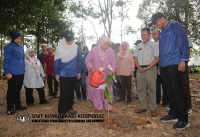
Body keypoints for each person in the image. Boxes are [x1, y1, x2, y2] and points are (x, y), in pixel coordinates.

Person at [149, 12, 189, 130]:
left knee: (177, 91)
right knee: (169, 91)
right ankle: (174, 113)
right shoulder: (161, 34)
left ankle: (183, 119)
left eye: (157, 22)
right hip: (164, 66)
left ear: (162, 18)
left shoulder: (175, 26)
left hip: (174, 63)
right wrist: (160, 66)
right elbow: (161, 51)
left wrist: (183, 59)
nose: (156, 25)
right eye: (155, 24)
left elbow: (183, 42)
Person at [85, 35, 117, 113]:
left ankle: (108, 107)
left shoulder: (111, 51)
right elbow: (87, 60)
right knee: (96, 92)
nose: (106, 46)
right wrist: (91, 67)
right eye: (104, 44)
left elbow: (113, 63)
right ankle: (98, 107)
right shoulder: (94, 50)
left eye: (107, 44)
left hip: (106, 75)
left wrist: (112, 70)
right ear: (101, 42)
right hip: (96, 76)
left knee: (107, 91)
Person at [54, 30, 81, 118]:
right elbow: (57, 61)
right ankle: (61, 111)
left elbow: (79, 61)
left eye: (71, 40)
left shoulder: (76, 48)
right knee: (64, 93)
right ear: (64, 39)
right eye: (68, 40)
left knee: (70, 92)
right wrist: (57, 73)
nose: (70, 42)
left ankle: (69, 107)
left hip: (73, 74)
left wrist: (79, 71)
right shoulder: (59, 48)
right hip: (63, 74)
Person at [133, 28, 159, 116]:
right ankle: (142, 106)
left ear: (149, 35)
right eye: (142, 35)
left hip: (150, 69)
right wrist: (138, 67)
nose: (143, 37)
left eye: (145, 35)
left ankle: (153, 108)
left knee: (152, 89)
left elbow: (157, 59)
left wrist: (147, 67)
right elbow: (135, 58)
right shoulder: (138, 45)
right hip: (140, 69)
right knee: (140, 89)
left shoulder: (154, 45)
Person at [3, 31, 27, 115]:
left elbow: (22, 60)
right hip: (12, 72)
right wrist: (7, 72)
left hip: (20, 72)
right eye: (17, 38)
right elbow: (6, 60)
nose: (19, 40)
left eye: (20, 38)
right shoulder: (8, 47)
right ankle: (10, 108)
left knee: (18, 89)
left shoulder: (20, 48)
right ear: (13, 38)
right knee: (12, 90)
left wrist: (23, 70)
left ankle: (18, 105)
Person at [152, 29, 169, 107]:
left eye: (155, 34)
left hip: (162, 64)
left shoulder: (163, 43)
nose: (153, 35)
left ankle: (165, 100)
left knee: (164, 83)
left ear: (159, 34)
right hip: (154, 64)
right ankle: (157, 99)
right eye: (152, 34)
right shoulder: (152, 44)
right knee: (156, 83)